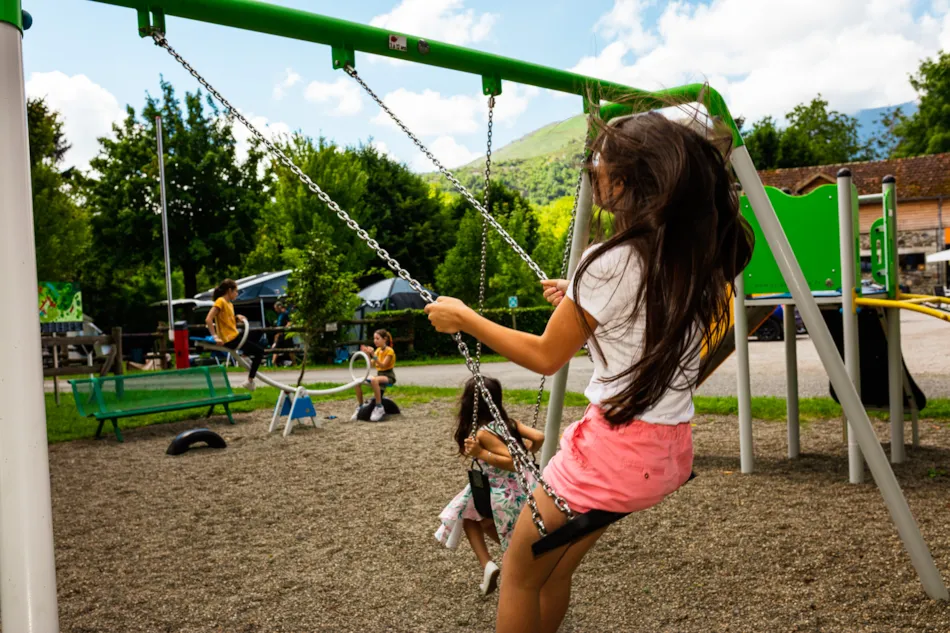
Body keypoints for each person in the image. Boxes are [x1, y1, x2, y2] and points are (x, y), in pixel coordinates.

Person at [424, 107, 754, 632]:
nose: (592, 168)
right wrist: (577, 299)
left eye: (600, 160)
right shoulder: (691, 257)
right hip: (666, 452)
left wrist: (464, 317)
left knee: (517, 570)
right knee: (550, 573)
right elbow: (640, 319)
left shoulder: (610, 260)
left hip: (614, 455)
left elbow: (544, 356)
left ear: (629, 181)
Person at [434, 376, 545, 596]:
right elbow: (539, 437)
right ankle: (493, 565)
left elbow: (515, 462)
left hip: (504, 492)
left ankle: (500, 563)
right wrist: (529, 448)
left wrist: (482, 453)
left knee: (484, 523)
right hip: (524, 487)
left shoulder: (484, 432)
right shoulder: (508, 423)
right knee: (470, 516)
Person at [205, 278, 266, 391]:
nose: (237, 294)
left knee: (259, 332)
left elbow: (227, 320)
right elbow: (209, 319)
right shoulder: (220, 301)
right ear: (229, 291)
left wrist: (237, 318)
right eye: (236, 291)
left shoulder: (229, 304)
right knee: (259, 352)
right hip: (230, 339)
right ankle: (250, 380)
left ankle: (245, 356)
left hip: (235, 336)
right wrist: (215, 337)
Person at [351, 329, 397, 422]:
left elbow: (383, 365)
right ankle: (360, 406)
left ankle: (379, 406)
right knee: (357, 381)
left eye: (377, 338)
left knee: (373, 380)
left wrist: (373, 354)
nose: (375, 340)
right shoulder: (378, 350)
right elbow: (371, 364)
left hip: (388, 376)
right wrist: (368, 354)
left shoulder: (389, 351)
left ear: (385, 339)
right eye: (374, 338)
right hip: (380, 375)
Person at [269, 301, 294, 367]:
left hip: (285, 334)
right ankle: (273, 363)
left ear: (279, 307)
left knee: (290, 349)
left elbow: (289, 322)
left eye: (276, 308)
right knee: (276, 348)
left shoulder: (285, 313)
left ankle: (294, 363)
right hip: (280, 334)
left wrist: (284, 329)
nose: (275, 310)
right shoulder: (280, 314)